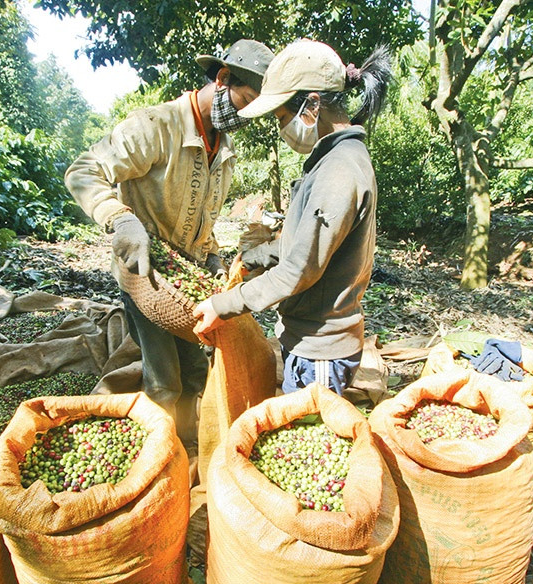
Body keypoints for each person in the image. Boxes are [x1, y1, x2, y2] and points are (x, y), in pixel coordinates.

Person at [64, 39, 275, 445]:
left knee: (196, 373)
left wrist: (212, 258)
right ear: (223, 78)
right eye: (246, 101)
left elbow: (203, 216)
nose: (247, 115)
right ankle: (158, 453)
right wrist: (121, 220)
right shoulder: (156, 126)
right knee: (164, 381)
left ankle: (188, 444)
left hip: (184, 279)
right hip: (146, 275)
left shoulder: (224, 150)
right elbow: (83, 171)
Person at [193, 38, 392, 396]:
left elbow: (299, 269)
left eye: (282, 117)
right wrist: (255, 257)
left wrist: (223, 305)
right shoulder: (330, 161)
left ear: (312, 106)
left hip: (321, 349)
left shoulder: (339, 171)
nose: (282, 128)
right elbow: (303, 241)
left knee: (308, 428)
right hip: (308, 340)